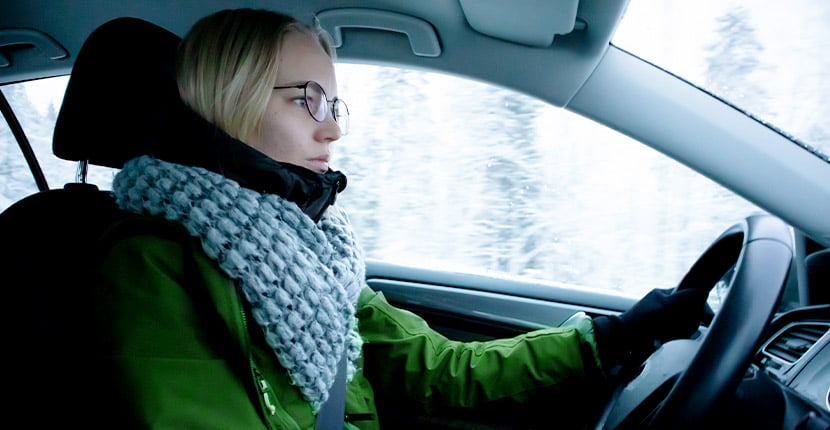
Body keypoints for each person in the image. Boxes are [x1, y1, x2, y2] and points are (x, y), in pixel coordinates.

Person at [89, 8, 708, 429]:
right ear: (232, 97)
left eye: (334, 103)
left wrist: (608, 339)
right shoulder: (152, 265)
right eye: (308, 99)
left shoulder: (312, 250)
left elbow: (436, 368)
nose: (331, 127)